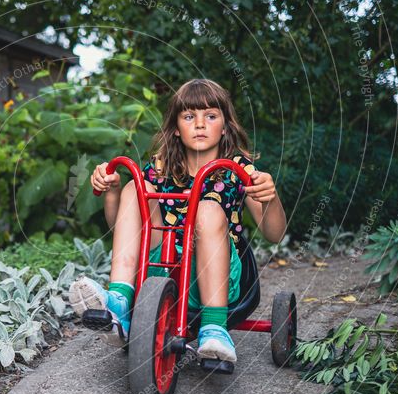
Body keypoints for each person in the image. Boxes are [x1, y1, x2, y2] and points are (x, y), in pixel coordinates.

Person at [68, 78, 287, 363]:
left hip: (215, 274)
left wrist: (269, 196)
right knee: (136, 188)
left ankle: (214, 327)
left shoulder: (239, 170)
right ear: (175, 129)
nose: (199, 124)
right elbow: (125, 226)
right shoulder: (160, 169)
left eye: (210, 116)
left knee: (207, 209)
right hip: (163, 266)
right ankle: (119, 303)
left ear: (225, 127)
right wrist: (111, 193)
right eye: (188, 116)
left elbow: (275, 233)